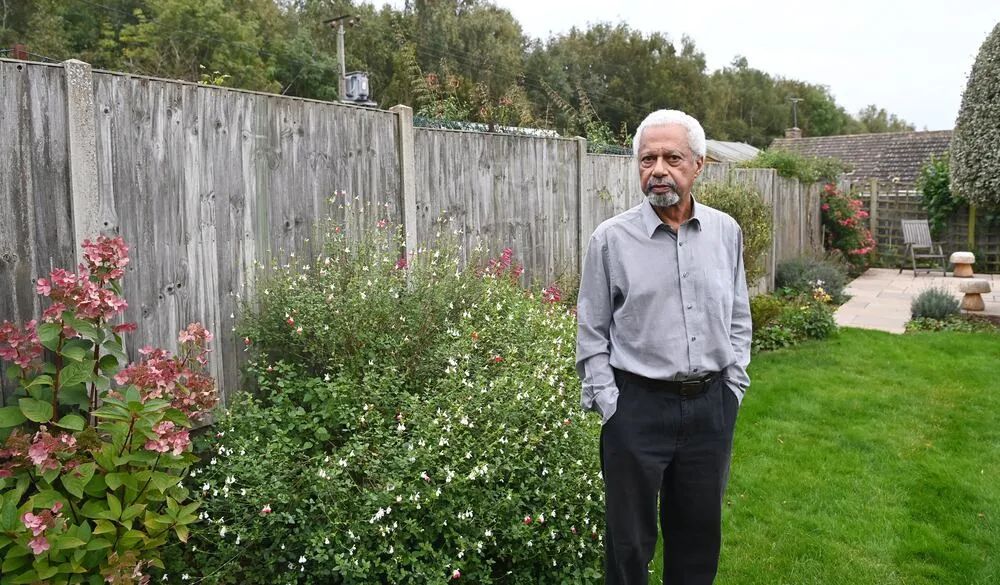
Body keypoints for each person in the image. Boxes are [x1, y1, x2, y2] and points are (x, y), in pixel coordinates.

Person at [575, 109, 751, 585]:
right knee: (628, 546)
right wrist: (610, 403)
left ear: (698, 164)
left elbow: (738, 316)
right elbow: (591, 330)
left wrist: (733, 387)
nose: (658, 170)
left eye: (672, 158)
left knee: (697, 540)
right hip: (636, 409)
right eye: (647, 159)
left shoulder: (726, 233)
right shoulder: (611, 240)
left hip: (710, 408)